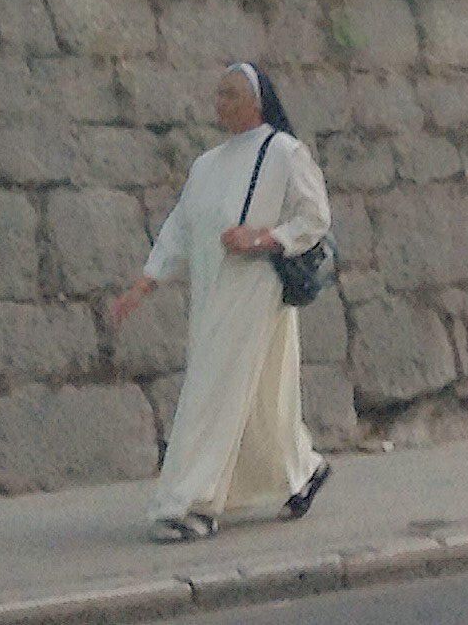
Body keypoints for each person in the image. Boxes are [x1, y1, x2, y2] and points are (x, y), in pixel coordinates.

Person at [112, 62, 333, 542]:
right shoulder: (206, 165)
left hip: (255, 290)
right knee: (256, 394)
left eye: (231, 94)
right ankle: (302, 469)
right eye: (219, 94)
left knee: (212, 390)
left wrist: (263, 238)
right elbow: (180, 227)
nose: (221, 103)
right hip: (213, 293)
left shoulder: (284, 152)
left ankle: (188, 503)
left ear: (256, 102)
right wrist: (146, 283)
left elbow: (315, 217)